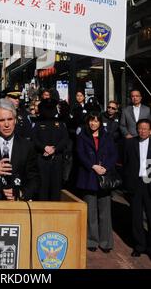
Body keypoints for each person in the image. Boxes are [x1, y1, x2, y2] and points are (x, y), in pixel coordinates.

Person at [76, 111, 117, 253]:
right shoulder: (82, 136)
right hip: (89, 177)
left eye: (96, 121)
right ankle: (91, 240)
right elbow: (80, 154)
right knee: (91, 211)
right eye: (91, 121)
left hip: (104, 177)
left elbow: (114, 154)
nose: (94, 123)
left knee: (105, 212)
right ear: (88, 122)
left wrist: (105, 168)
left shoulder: (107, 136)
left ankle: (106, 242)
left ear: (100, 122)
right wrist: (92, 166)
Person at [123, 119, 151, 258]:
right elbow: (125, 162)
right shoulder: (129, 143)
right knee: (136, 217)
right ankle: (139, 246)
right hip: (135, 184)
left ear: (150, 131)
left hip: (149, 182)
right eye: (140, 128)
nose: (142, 131)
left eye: (145, 129)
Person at [32, 99, 68, 201]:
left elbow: (65, 139)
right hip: (42, 158)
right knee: (42, 186)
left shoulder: (60, 123)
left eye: (51, 109)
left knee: (56, 187)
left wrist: (55, 149)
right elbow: (33, 139)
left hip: (56, 159)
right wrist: (44, 147)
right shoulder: (37, 123)